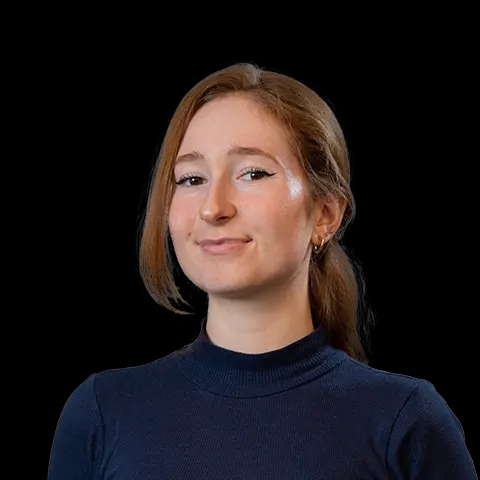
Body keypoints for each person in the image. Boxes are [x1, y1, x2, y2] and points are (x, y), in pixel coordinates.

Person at [48, 63, 477, 479]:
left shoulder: (406, 424)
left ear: (326, 214)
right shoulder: (102, 414)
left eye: (252, 173)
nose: (214, 208)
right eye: (191, 179)